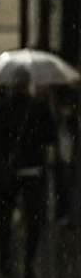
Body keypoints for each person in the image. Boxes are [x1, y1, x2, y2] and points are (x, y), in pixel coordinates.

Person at [0, 68, 56, 278]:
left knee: (5, 218)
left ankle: (6, 260)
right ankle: (28, 262)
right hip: (32, 170)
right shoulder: (39, 107)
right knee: (33, 219)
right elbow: (50, 137)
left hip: (8, 172)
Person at [53, 88, 78, 227]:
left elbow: (73, 140)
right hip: (62, 158)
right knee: (63, 187)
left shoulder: (70, 122)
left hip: (67, 158)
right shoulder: (59, 122)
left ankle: (68, 216)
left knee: (67, 187)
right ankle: (64, 215)